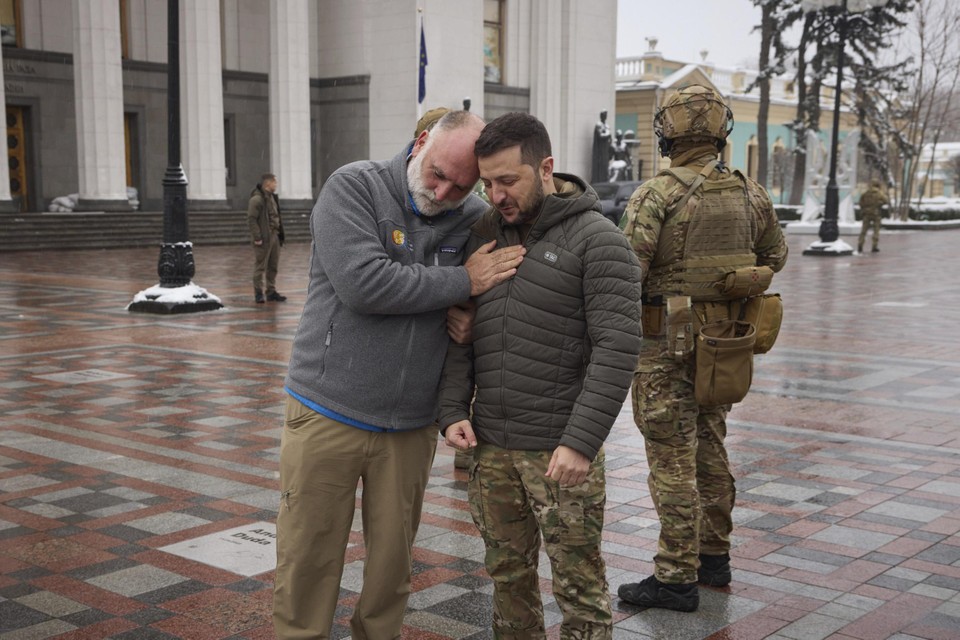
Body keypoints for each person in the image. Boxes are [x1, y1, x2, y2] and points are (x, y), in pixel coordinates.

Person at [274, 111, 526, 639]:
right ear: (419, 144)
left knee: (391, 571)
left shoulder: (474, 217)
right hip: (327, 410)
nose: (443, 191)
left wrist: (473, 317)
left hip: (410, 424)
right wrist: (461, 283)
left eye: (461, 185)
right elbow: (365, 285)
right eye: (437, 173)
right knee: (308, 561)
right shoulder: (354, 187)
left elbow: (503, 286)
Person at [439, 112, 642, 638]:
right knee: (508, 579)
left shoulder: (600, 241)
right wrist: (452, 410)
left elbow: (618, 348)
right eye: (488, 183)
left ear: (546, 167)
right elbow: (462, 330)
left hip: (558, 455)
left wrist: (580, 443)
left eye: (509, 180)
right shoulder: (483, 236)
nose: (496, 194)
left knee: (578, 590)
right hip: (492, 451)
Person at [617, 85, 789, 612]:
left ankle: (674, 578)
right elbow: (776, 255)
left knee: (671, 458)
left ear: (667, 132)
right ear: (721, 131)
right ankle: (714, 556)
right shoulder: (749, 192)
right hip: (723, 345)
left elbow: (627, 274)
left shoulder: (656, 195)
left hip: (665, 350)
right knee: (712, 446)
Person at [247, 173, 286, 303]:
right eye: (274, 182)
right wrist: (257, 237)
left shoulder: (272, 198)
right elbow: (252, 219)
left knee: (273, 265)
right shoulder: (257, 199)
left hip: (274, 235)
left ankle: (271, 291)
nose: (276, 185)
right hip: (263, 237)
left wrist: (280, 235)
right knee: (260, 266)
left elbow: (276, 216)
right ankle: (258, 293)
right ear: (268, 183)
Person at [858, 180, 889, 254]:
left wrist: (865, 208)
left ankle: (860, 245)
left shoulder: (865, 193)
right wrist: (879, 203)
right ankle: (874, 246)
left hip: (866, 214)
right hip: (876, 213)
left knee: (863, 231)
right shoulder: (879, 193)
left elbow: (861, 203)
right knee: (876, 231)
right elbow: (886, 200)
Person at [592, 109, 612, 183]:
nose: (605, 116)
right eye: (604, 114)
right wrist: (608, 133)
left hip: (606, 151)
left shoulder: (607, 126)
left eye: (606, 115)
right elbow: (601, 136)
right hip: (599, 152)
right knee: (599, 168)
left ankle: (605, 181)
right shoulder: (599, 124)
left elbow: (610, 139)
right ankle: (599, 182)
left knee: (605, 168)